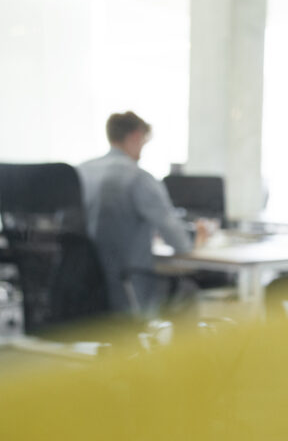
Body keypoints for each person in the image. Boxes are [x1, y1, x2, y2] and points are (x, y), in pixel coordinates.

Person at [78, 111, 199, 314]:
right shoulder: (138, 178)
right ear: (135, 136)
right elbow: (179, 242)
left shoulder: (80, 171)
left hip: (82, 286)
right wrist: (196, 237)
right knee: (189, 292)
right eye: (143, 141)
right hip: (128, 287)